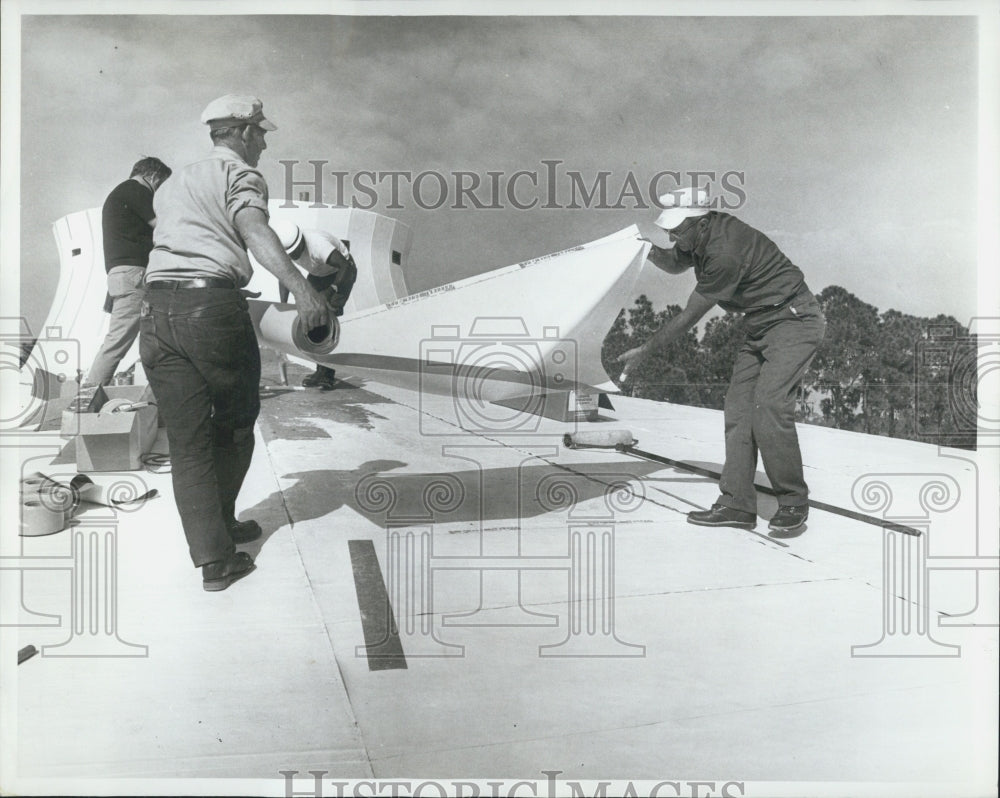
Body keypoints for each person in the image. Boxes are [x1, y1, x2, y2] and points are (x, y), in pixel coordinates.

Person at [140, 95, 330, 591]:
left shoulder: (173, 181)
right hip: (210, 310)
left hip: (155, 311)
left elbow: (179, 241)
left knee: (187, 442)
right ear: (243, 133)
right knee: (234, 423)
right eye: (261, 132)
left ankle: (214, 557)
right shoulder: (240, 175)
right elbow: (253, 228)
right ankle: (221, 526)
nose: (265, 141)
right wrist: (306, 291)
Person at [619, 186, 826, 534]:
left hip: (794, 320)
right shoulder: (697, 235)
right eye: (669, 229)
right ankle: (736, 505)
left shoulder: (725, 250)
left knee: (769, 405)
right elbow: (673, 262)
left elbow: (688, 317)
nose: (672, 235)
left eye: (677, 229)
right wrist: (644, 248)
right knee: (739, 410)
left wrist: (645, 350)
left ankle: (793, 502)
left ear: (701, 222)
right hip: (759, 324)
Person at [83, 157, 172, 387]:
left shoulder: (121, 194)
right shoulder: (136, 190)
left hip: (125, 276)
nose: (159, 192)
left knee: (149, 338)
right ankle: (87, 400)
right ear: (153, 177)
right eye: (161, 185)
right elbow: (166, 226)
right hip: (134, 276)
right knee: (118, 342)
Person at [270, 219, 357, 390]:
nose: (295, 256)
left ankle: (328, 375)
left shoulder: (318, 244)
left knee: (329, 318)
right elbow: (285, 276)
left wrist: (330, 292)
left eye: (297, 251)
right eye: (291, 254)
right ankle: (320, 371)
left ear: (301, 240)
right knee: (311, 313)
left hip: (342, 273)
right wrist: (283, 303)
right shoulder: (285, 249)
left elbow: (345, 267)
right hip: (318, 273)